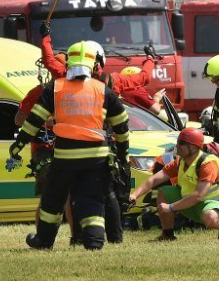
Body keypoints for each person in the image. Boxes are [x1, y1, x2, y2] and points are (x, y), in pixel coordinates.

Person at [9, 40, 130, 250]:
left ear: (69, 64)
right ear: (92, 64)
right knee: (92, 199)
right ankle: (94, 242)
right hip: (96, 156)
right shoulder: (103, 90)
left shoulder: (55, 88)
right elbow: (122, 126)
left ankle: (44, 241)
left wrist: (18, 146)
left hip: (65, 156)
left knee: (52, 200)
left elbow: (33, 121)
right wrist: (122, 156)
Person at [129, 127, 219, 240]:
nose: (177, 145)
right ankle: (168, 235)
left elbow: (198, 196)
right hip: (192, 201)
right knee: (164, 192)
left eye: (182, 143)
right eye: (178, 142)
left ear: (194, 147)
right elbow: (153, 180)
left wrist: (170, 207)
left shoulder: (207, 164)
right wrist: (134, 195)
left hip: (216, 202)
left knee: (210, 218)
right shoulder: (180, 162)